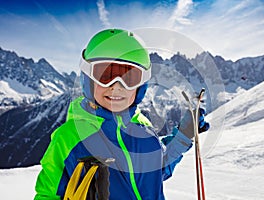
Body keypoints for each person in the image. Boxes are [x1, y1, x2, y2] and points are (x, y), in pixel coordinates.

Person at [34, 29, 209, 200]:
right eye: (105, 75)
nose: (117, 86)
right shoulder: (69, 138)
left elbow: (157, 170)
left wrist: (183, 134)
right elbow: (47, 194)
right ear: (88, 79)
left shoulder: (144, 128)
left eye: (129, 77)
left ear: (141, 86)